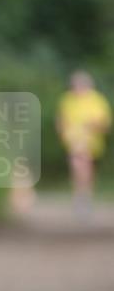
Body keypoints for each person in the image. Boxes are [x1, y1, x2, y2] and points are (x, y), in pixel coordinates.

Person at [56, 71, 111, 215]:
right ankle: (82, 196)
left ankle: (83, 195)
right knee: (79, 166)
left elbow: (104, 125)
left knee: (84, 168)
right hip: (73, 141)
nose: (78, 89)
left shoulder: (97, 100)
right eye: (75, 85)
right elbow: (61, 119)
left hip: (92, 141)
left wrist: (92, 125)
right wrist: (63, 131)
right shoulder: (67, 99)